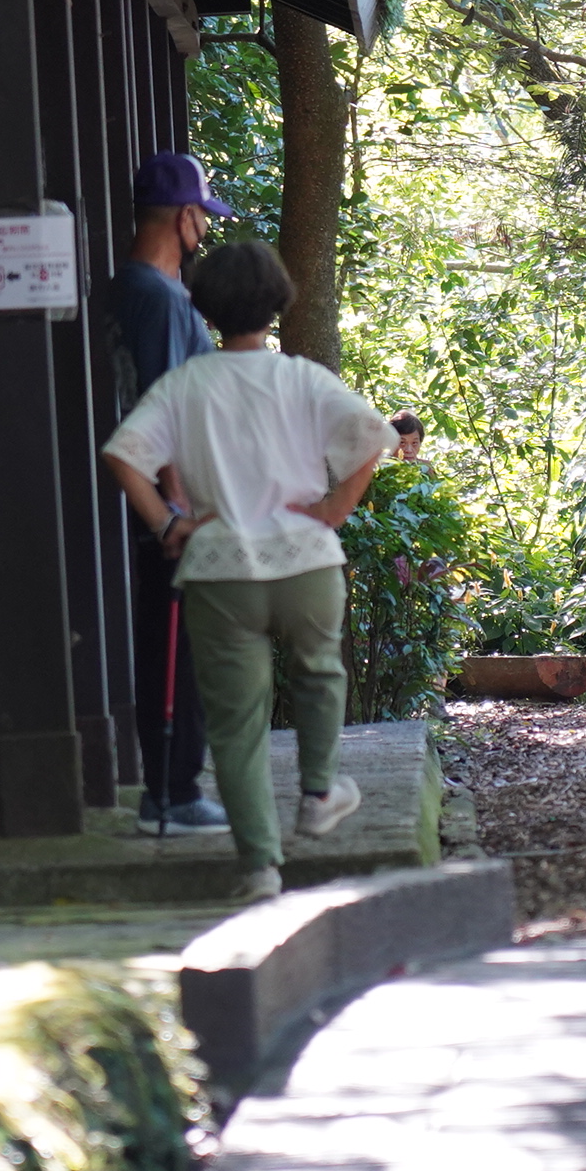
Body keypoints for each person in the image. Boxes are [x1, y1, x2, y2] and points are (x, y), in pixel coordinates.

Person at [100, 238, 397, 899]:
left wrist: (168, 523)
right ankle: (319, 792)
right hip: (305, 563)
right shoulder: (302, 378)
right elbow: (374, 436)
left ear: (204, 308)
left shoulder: (184, 385)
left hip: (219, 570)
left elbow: (123, 455)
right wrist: (331, 510)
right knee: (320, 671)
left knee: (237, 725)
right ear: (278, 303)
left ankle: (260, 866)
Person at [109, 150, 230, 834]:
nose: (204, 230)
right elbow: (163, 408)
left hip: (153, 508)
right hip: (168, 513)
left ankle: (172, 786)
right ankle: (173, 791)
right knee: (178, 649)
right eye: (203, 218)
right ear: (186, 218)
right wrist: (176, 513)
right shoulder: (157, 297)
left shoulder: (129, 289)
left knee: (169, 644)